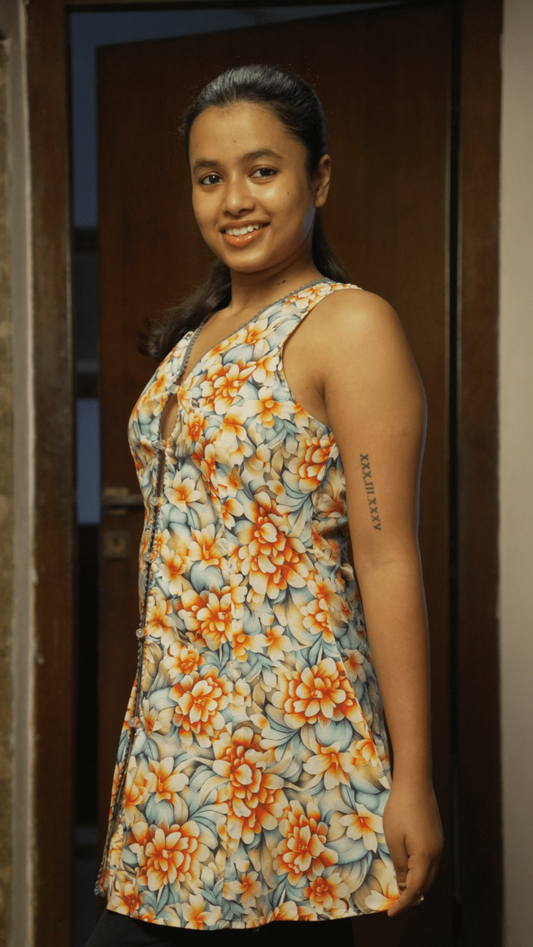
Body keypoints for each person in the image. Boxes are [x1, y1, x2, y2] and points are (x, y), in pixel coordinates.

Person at [87, 64, 443, 947]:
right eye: (209, 177)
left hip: (291, 750)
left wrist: (414, 778)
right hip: (178, 748)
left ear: (317, 178)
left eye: (262, 169)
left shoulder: (348, 324)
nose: (233, 199)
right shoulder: (194, 334)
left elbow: (387, 552)